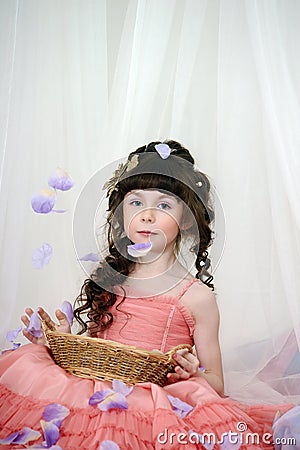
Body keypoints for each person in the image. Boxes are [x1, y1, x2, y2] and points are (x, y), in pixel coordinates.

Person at [0, 140, 297, 450]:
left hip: (152, 406)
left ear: (185, 219)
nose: (147, 215)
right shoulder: (111, 280)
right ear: (122, 214)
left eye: (164, 205)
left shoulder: (194, 297)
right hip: (99, 396)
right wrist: (64, 342)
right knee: (29, 368)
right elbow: (100, 356)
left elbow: (216, 382)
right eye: (136, 203)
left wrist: (193, 371)